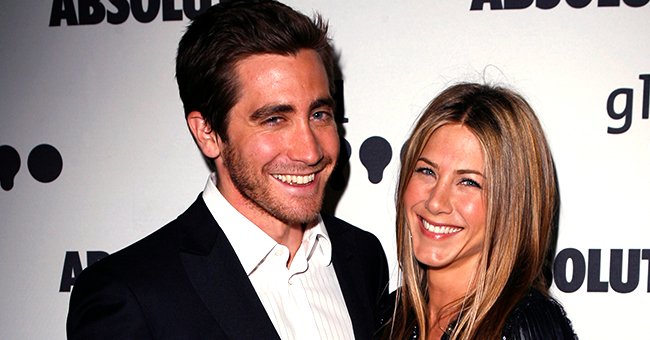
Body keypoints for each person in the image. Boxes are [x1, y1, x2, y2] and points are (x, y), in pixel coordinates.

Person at [66, 1, 388, 339]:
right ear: (208, 133)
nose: (310, 151)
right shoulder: (131, 295)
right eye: (275, 119)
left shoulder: (363, 258)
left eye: (319, 114)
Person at [378, 83, 577, 339]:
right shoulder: (389, 316)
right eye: (427, 171)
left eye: (469, 182)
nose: (435, 202)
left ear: (511, 204)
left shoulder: (525, 324)